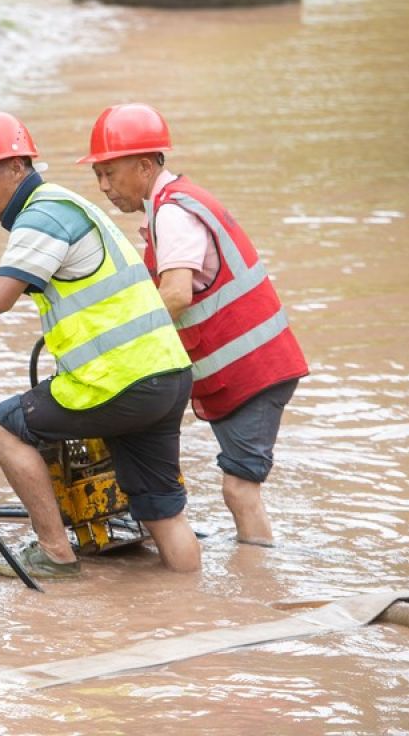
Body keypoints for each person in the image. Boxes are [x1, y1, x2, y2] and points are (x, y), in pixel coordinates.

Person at [0, 111, 201, 577]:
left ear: (17, 168)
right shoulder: (69, 207)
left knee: (5, 426)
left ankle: (54, 553)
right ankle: (195, 608)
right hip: (168, 376)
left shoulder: (42, 215)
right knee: (163, 513)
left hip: (119, 382)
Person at [78, 103, 309, 546]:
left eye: (109, 173)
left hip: (253, 372)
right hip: (249, 370)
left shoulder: (173, 214)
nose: (103, 186)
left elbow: (177, 295)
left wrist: (119, 343)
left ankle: (257, 587)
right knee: (238, 486)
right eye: (98, 176)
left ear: (144, 166)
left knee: (240, 490)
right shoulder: (174, 203)